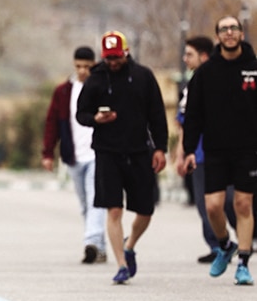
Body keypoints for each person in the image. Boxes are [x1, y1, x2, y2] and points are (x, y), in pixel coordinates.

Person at [75, 30, 168, 285]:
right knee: (113, 209)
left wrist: (160, 148)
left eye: (117, 57)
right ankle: (122, 265)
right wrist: (96, 119)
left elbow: (157, 115)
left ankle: (131, 244)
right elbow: (81, 113)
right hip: (107, 152)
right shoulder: (96, 79)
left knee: (145, 210)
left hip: (139, 151)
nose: (113, 62)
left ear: (126, 52)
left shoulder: (143, 76)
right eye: (108, 58)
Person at [181, 16, 257, 285]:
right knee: (213, 207)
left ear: (241, 34)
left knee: (243, 204)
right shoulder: (205, 72)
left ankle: (244, 263)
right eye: (223, 29)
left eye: (234, 28)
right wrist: (189, 150)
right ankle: (225, 246)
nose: (229, 33)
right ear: (218, 36)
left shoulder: (253, 67)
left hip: (248, 149)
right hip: (215, 149)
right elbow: (193, 116)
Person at [41, 46, 107, 264]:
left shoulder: (101, 86)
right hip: (73, 156)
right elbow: (52, 123)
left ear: (94, 65)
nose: (82, 71)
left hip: (98, 153)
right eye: (78, 66)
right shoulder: (63, 91)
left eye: (87, 67)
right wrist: (48, 153)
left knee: (96, 200)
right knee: (85, 204)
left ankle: (90, 242)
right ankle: (100, 247)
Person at [174, 36, 236, 264]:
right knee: (205, 204)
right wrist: (181, 153)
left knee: (231, 200)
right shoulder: (191, 85)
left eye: (189, 54)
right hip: (198, 153)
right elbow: (183, 121)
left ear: (204, 56)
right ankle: (218, 246)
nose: (185, 59)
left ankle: (243, 238)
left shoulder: (223, 79)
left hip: (224, 150)